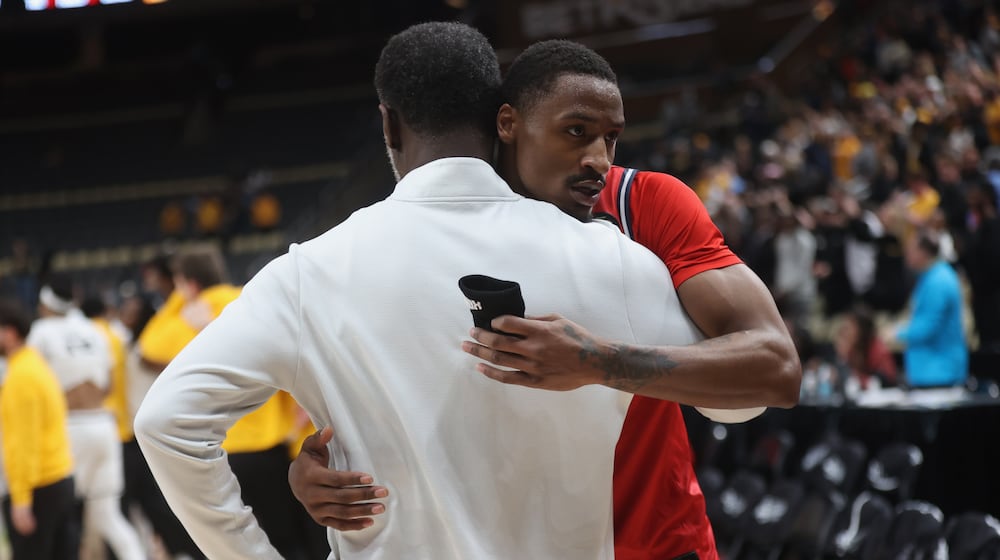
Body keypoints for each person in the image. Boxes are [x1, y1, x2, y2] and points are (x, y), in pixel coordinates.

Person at [133, 22, 753, 560]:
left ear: (389, 124)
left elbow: (166, 424)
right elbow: (740, 402)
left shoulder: (308, 272)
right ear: (499, 121)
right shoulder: (613, 256)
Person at [290, 39, 799, 559]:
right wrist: (322, 469)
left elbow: (775, 369)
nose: (598, 160)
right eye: (576, 132)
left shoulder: (644, 203)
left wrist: (599, 361)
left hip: (655, 543)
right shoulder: (415, 236)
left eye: (611, 138)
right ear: (508, 124)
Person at [28, 276, 146, 560]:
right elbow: (108, 386)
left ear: (45, 303)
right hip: (103, 426)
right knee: (108, 516)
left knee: (62, 517)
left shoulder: (42, 331)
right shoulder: (94, 330)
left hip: (69, 428)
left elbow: (32, 384)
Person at [0, 299, 78, 560]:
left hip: (38, 487)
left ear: (9, 333)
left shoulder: (20, 377)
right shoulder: (35, 364)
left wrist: (21, 500)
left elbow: (24, 442)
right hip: (59, 478)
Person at [894, 230, 968, 388]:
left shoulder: (939, 281)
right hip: (928, 371)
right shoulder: (929, 277)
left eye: (911, 249)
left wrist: (896, 334)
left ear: (924, 252)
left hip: (939, 373)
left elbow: (928, 327)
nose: (906, 254)